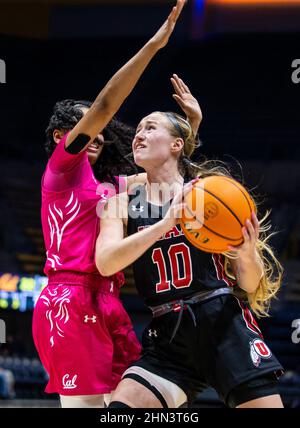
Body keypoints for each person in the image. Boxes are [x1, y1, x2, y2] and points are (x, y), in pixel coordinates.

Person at [32, 0, 186, 408]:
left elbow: (165, 170)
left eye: (100, 131)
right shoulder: (62, 170)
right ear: (62, 135)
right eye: (88, 127)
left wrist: (191, 129)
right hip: (69, 298)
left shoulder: (111, 187)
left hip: (108, 299)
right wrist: (153, 46)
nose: (97, 133)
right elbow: (104, 106)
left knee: (129, 406)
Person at [95, 92, 284, 408]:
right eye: (138, 130)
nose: (138, 134)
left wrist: (247, 253)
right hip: (168, 332)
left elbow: (249, 286)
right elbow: (105, 262)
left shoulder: (209, 193)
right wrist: (164, 224)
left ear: (176, 144)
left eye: (150, 127)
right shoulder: (120, 203)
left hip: (222, 323)